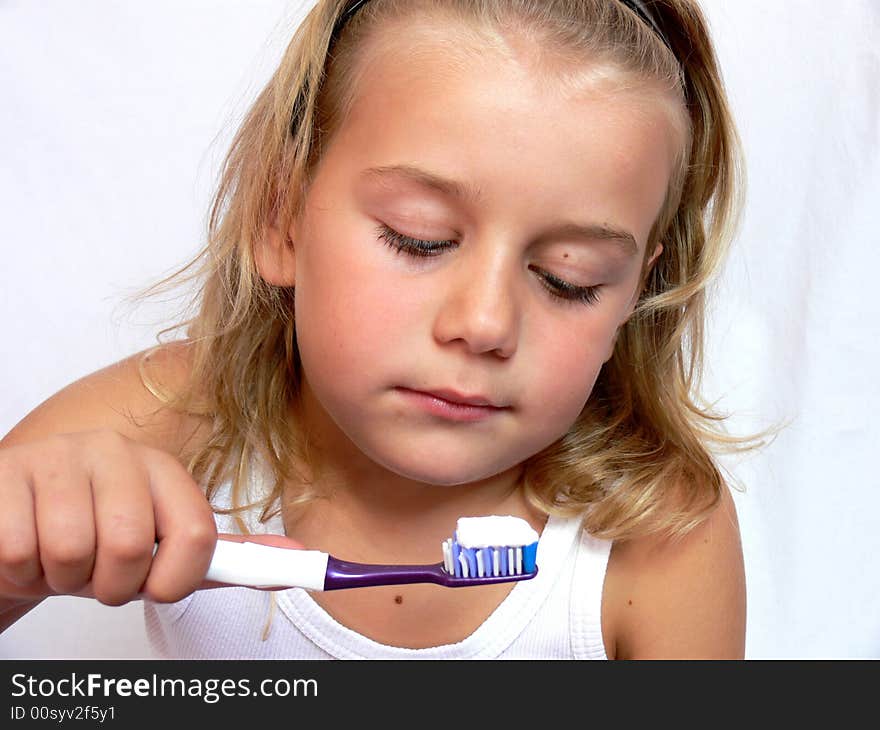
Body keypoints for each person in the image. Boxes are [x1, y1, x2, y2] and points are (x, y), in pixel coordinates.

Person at [0, 0, 752, 659]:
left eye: (570, 277)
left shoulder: (661, 533)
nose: (484, 324)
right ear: (281, 216)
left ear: (633, 295)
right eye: (418, 239)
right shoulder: (168, 421)